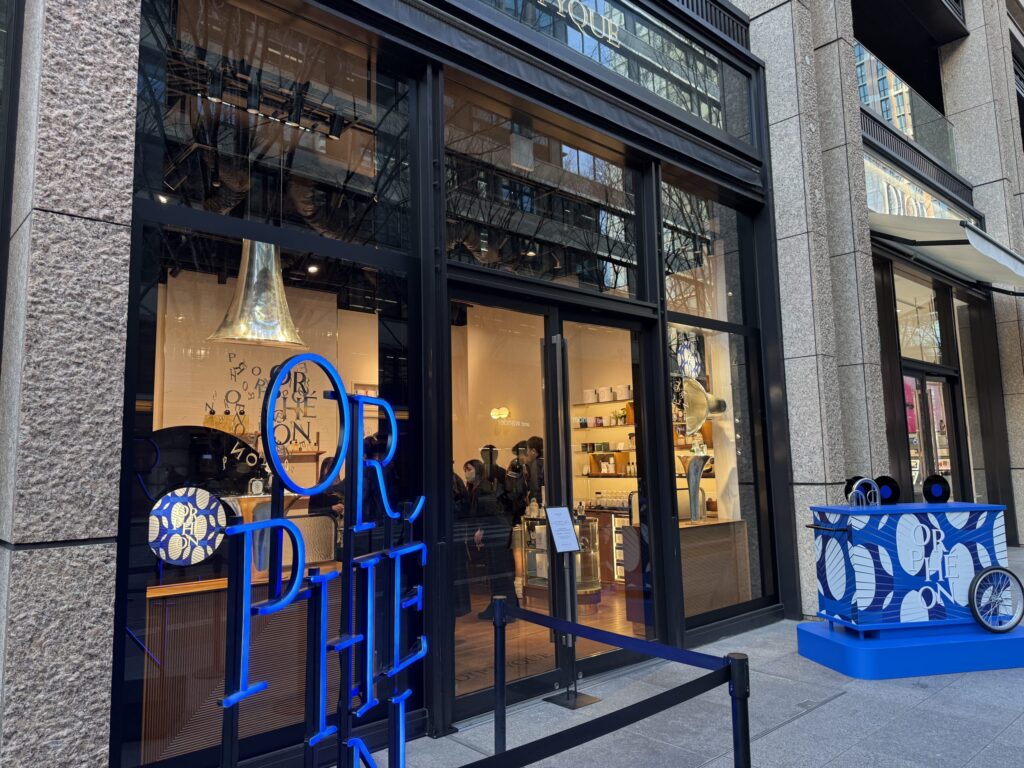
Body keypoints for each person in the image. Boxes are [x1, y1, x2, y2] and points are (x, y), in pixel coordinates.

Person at [464, 459, 518, 621]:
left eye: (469, 469)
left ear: (477, 470)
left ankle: (507, 610)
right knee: (496, 572)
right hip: (496, 535)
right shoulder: (478, 488)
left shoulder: (484, 488)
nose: (466, 473)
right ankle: (499, 607)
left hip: (497, 535)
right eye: (465, 470)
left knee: (499, 572)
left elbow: (492, 511)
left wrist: (481, 529)